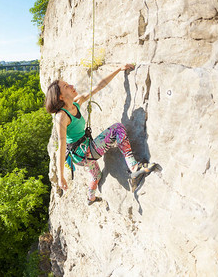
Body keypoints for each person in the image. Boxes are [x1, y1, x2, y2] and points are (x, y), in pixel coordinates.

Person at [44, 64, 158, 205]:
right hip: (82, 153)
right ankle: (134, 168)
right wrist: (61, 176)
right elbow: (61, 146)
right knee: (117, 129)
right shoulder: (61, 116)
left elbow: (98, 86)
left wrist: (118, 69)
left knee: (96, 175)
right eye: (66, 86)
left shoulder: (77, 102)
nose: (72, 85)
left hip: (83, 154)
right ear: (60, 96)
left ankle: (90, 198)